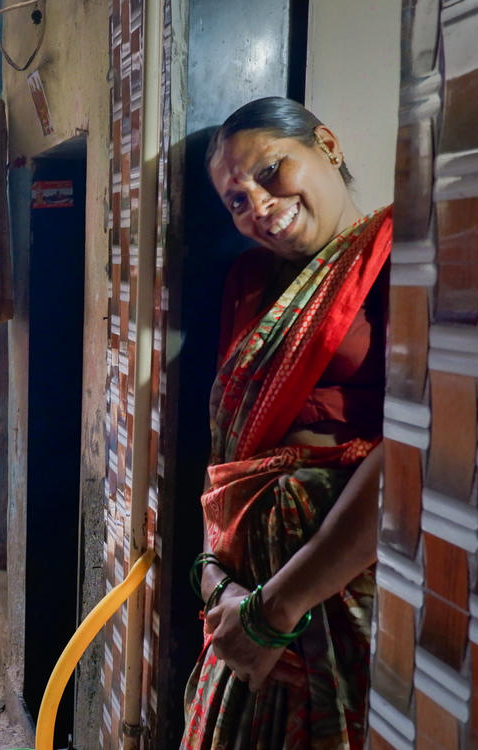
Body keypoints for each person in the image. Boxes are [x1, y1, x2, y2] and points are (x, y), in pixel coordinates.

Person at [182, 97, 392, 748]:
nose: (260, 206)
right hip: (241, 596)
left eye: (271, 170)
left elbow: (415, 452)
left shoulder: (401, 255)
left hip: (332, 593)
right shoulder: (246, 283)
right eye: (236, 201)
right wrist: (217, 581)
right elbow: (230, 456)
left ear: (325, 144)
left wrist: (279, 609)